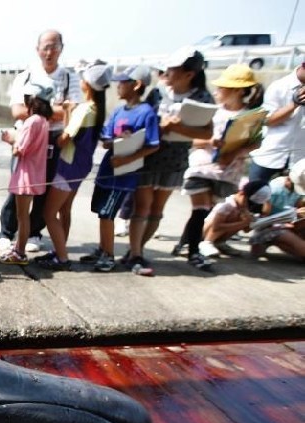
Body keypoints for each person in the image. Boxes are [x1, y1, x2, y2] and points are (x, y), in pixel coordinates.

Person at [0, 30, 82, 257]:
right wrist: (57, 110)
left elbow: (74, 112)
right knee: (16, 188)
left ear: (61, 48)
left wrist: (46, 111)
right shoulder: (25, 76)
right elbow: (17, 110)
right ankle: (7, 233)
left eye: (54, 46)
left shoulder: (69, 78)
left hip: (55, 141)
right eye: (45, 46)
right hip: (28, 135)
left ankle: (34, 233)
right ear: (37, 49)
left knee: (43, 189)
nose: (49, 51)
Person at [132, 48, 214, 271]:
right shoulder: (157, 92)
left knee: (156, 209)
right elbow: (141, 118)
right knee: (142, 206)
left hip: (175, 159)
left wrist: (178, 127)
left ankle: (137, 248)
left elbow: (207, 134)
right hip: (149, 156)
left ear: (189, 74)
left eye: (174, 68)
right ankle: (136, 254)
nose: (168, 72)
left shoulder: (203, 98)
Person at [179, 64, 264, 270]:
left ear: (238, 90)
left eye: (223, 87)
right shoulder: (211, 112)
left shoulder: (252, 116)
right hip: (201, 166)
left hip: (228, 171)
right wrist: (210, 142)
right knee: (200, 209)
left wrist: (236, 152)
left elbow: (256, 141)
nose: (217, 91)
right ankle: (193, 251)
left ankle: (185, 244)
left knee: (204, 210)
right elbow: (189, 138)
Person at [79, 66, 160, 274]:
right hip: (107, 168)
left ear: (137, 85)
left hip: (124, 175)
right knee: (100, 211)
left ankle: (108, 255)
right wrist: (112, 142)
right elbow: (106, 137)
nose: (118, 86)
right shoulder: (118, 110)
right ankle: (102, 249)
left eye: (123, 82)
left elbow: (153, 144)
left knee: (108, 213)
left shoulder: (146, 113)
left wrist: (128, 159)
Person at [37, 63, 111, 270]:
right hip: (81, 167)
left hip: (67, 168)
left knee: (49, 213)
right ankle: (61, 250)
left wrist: (69, 111)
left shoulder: (85, 110)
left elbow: (63, 140)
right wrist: (70, 111)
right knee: (65, 210)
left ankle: (61, 257)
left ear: (86, 84)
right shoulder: (97, 110)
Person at [0, 80, 54, 265]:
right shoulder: (44, 121)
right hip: (36, 174)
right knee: (25, 216)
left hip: (25, 176)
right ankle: (19, 248)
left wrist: (10, 140)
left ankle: (19, 252)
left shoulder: (32, 121)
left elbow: (19, 150)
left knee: (22, 217)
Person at [248, 57, 305, 184]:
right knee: (253, 199)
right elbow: (267, 120)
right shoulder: (279, 86)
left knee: (295, 203)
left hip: (299, 161)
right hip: (270, 156)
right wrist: (294, 104)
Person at [199, 180, 270, 258]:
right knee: (233, 216)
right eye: (248, 202)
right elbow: (217, 226)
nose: (248, 205)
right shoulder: (227, 204)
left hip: (219, 232)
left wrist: (255, 222)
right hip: (204, 231)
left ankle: (219, 243)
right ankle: (207, 243)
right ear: (241, 193)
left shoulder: (243, 208)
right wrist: (244, 222)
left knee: (240, 217)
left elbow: (246, 230)